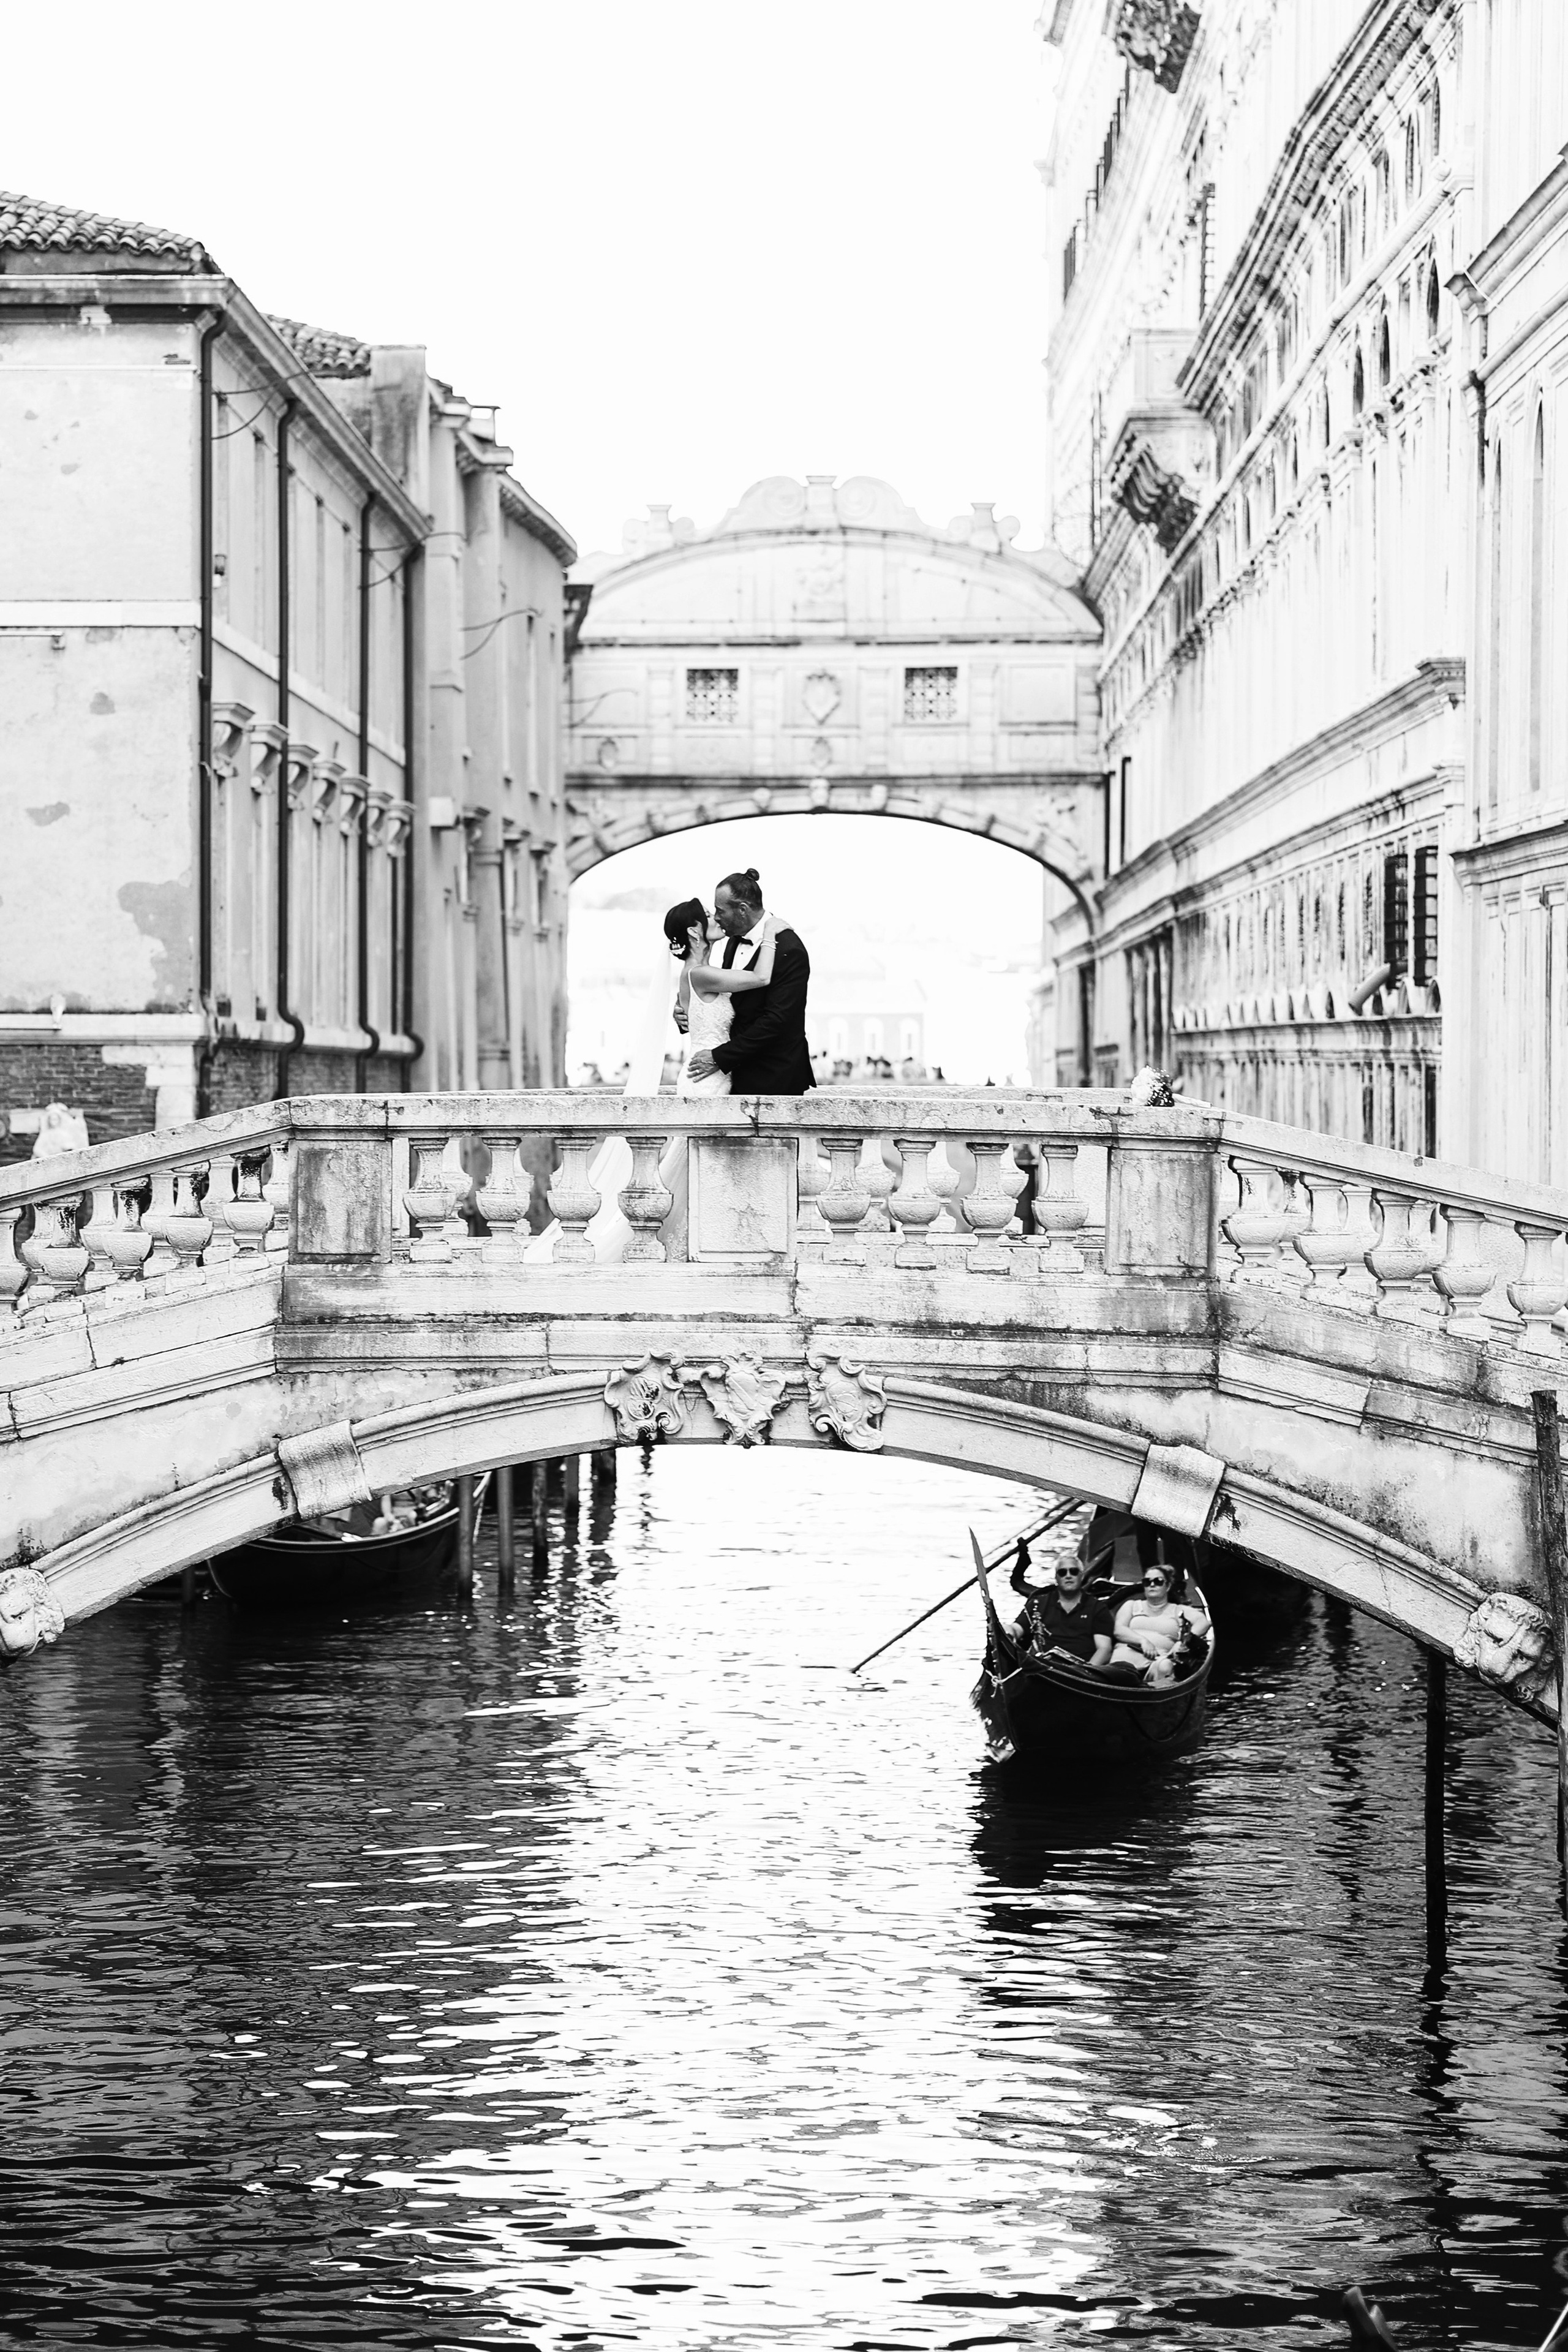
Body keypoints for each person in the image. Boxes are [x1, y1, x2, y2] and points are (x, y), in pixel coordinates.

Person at [682, 868, 815, 1096]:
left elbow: (777, 1021)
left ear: (742, 910)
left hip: (773, 1076)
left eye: (720, 910)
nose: (716, 918)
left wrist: (720, 1057)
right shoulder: (733, 939)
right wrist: (689, 1011)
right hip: (733, 1074)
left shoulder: (789, 949)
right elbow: (728, 1000)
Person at [664, 894, 782, 1096]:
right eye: (709, 916)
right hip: (704, 1079)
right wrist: (770, 933)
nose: (717, 919)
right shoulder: (700, 974)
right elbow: (761, 978)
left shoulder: (699, 973)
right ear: (694, 931)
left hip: (715, 1074)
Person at [1010, 1544, 1114, 1667]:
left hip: (1081, 1670)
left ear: (1081, 1576)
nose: (1068, 1576)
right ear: (1056, 1578)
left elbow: (1104, 1649)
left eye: (1074, 1572)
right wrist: (1007, 1631)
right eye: (1063, 1572)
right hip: (1045, 1668)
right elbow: (1017, 1629)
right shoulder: (1038, 1604)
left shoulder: (1097, 1608)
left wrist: (1086, 1672)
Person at [1108, 1560, 1211, 1684]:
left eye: (1158, 1581)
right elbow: (1119, 1630)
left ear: (1167, 1586)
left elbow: (1203, 1622)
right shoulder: (1131, 1605)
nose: (1152, 1585)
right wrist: (1143, 1641)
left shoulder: (1178, 1610)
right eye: (1147, 1582)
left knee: (1165, 1666)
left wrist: (1183, 1641)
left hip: (1157, 1664)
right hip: (1122, 1663)